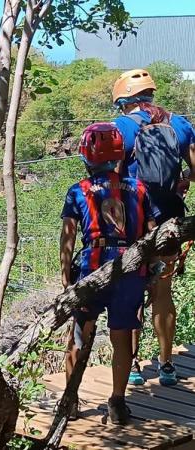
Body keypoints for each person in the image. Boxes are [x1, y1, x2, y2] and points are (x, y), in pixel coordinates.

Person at [61, 123, 158, 424]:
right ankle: (117, 402)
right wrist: (151, 271)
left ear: (87, 158)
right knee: (121, 337)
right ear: (119, 157)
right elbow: (153, 232)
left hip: (93, 267)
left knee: (79, 333)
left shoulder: (79, 191)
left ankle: (70, 399)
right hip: (130, 268)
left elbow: (68, 234)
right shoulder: (140, 188)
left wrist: (66, 276)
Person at [111, 69, 195, 386]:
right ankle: (167, 365)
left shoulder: (121, 127)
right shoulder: (180, 124)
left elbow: (113, 179)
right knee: (163, 291)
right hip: (171, 218)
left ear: (123, 102)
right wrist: (182, 181)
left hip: (135, 220)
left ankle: (132, 367)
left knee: (133, 291)